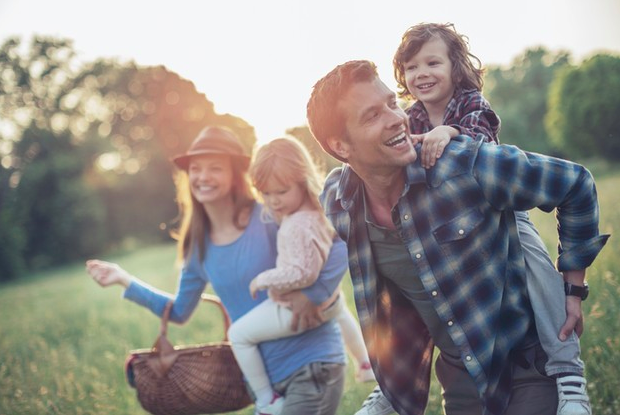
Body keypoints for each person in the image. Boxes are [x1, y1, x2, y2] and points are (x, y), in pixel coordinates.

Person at [306, 60, 609, 415]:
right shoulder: (340, 203)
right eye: (372, 116)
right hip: (459, 382)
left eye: (392, 103)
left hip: (523, 370)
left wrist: (573, 291)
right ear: (341, 146)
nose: (396, 118)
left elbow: (575, 184)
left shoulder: (461, 166)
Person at [85, 126, 348, 415]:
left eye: (215, 168)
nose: (203, 176)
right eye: (196, 169)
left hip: (310, 363)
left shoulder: (267, 215)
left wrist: (314, 292)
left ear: (236, 175)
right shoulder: (197, 248)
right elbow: (179, 312)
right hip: (264, 385)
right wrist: (125, 281)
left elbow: (339, 243)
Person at [227, 137, 374, 413]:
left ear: (302, 181)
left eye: (280, 192)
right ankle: (365, 362)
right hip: (329, 305)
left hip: (293, 308)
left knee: (238, 335)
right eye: (265, 193)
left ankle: (264, 398)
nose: (272, 201)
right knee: (340, 307)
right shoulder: (319, 212)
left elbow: (302, 274)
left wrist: (264, 279)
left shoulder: (297, 224)